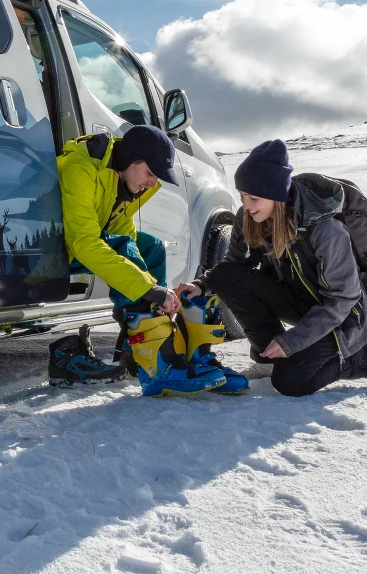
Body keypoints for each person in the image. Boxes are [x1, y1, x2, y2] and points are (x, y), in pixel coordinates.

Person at [181, 139, 367, 397]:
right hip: (302, 303)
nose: (246, 204)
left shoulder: (326, 230)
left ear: (277, 195)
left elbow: (343, 298)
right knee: (225, 275)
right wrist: (202, 285)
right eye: (242, 195)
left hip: (343, 316)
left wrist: (292, 342)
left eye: (253, 197)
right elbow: (234, 265)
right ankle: (267, 358)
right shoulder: (251, 217)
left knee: (290, 382)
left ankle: (361, 357)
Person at [48, 125, 245, 395]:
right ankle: (158, 363)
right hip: (55, 249)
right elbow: (83, 242)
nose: (153, 184)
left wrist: (156, 293)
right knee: (126, 250)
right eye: (151, 173)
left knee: (151, 247)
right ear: (132, 160)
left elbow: (125, 238)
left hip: (81, 244)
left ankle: (141, 350)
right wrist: (149, 289)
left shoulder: (122, 183)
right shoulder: (80, 168)